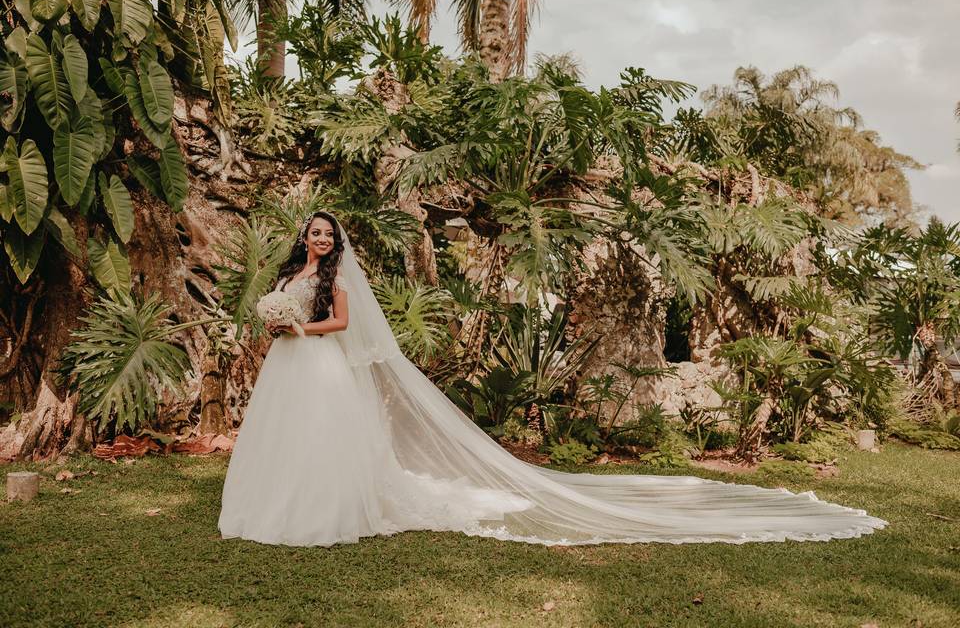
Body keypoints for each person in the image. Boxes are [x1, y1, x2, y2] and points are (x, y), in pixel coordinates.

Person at [218, 211, 887, 547]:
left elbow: (340, 326)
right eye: (314, 234)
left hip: (318, 360)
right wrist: (274, 320)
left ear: (338, 245)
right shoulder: (292, 271)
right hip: (288, 366)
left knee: (324, 442)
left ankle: (324, 513)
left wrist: (299, 328)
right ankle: (275, 505)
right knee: (286, 441)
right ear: (303, 238)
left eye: (328, 237)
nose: (320, 242)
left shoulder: (337, 283)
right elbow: (283, 309)